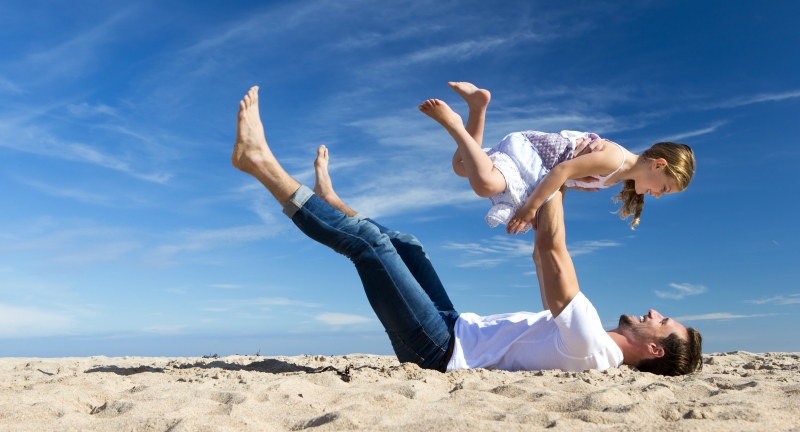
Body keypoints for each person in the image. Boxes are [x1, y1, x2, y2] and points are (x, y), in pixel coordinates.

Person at [231, 86, 703, 376]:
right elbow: (546, 255)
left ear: (653, 348)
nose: (654, 311)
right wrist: (550, 188)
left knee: (371, 247)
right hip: (455, 325)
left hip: (438, 349)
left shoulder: (591, 348)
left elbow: (552, 250)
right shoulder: (586, 340)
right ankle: (334, 204)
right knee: (409, 246)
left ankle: (261, 164)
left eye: (662, 321)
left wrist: (551, 178)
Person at [418, 82, 696, 234]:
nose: (658, 195)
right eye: (665, 188)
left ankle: (477, 108)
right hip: (535, 155)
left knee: (462, 166)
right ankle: (454, 125)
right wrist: (529, 209)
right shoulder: (614, 160)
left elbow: (565, 183)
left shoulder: (615, 177)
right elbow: (561, 172)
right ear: (659, 164)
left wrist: (540, 209)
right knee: (486, 185)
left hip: (539, 167)